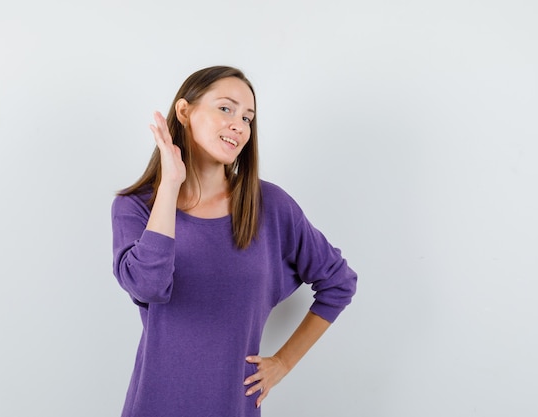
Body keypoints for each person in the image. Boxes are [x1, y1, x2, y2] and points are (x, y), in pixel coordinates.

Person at [111, 65, 357, 417]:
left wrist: (283, 363)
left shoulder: (270, 206)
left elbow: (338, 282)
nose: (239, 125)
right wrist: (170, 185)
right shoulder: (134, 207)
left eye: (247, 117)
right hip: (155, 404)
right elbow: (149, 287)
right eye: (225, 108)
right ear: (184, 112)